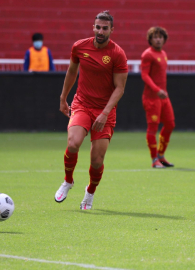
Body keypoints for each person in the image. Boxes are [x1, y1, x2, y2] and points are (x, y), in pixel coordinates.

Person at [54, 11, 128, 210]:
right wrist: (63, 98)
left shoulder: (117, 54)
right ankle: (68, 181)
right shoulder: (79, 47)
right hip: (82, 105)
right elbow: (71, 72)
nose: (100, 31)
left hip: (105, 110)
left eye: (105, 28)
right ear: (93, 27)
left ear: (112, 30)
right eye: (98, 27)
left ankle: (90, 192)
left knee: (97, 161)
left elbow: (120, 88)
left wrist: (105, 113)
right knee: (73, 143)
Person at [141, 26, 175, 168]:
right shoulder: (147, 54)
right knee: (152, 128)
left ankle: (161, 156)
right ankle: (154, 159)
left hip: (163, 96)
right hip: (152, 98)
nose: (158, 39)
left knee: (170, 124)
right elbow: (144, 75)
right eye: (155, 37)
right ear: (150, 39)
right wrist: (156, 90)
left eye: (160, 37)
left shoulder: (163, 54)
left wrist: (161, 91)